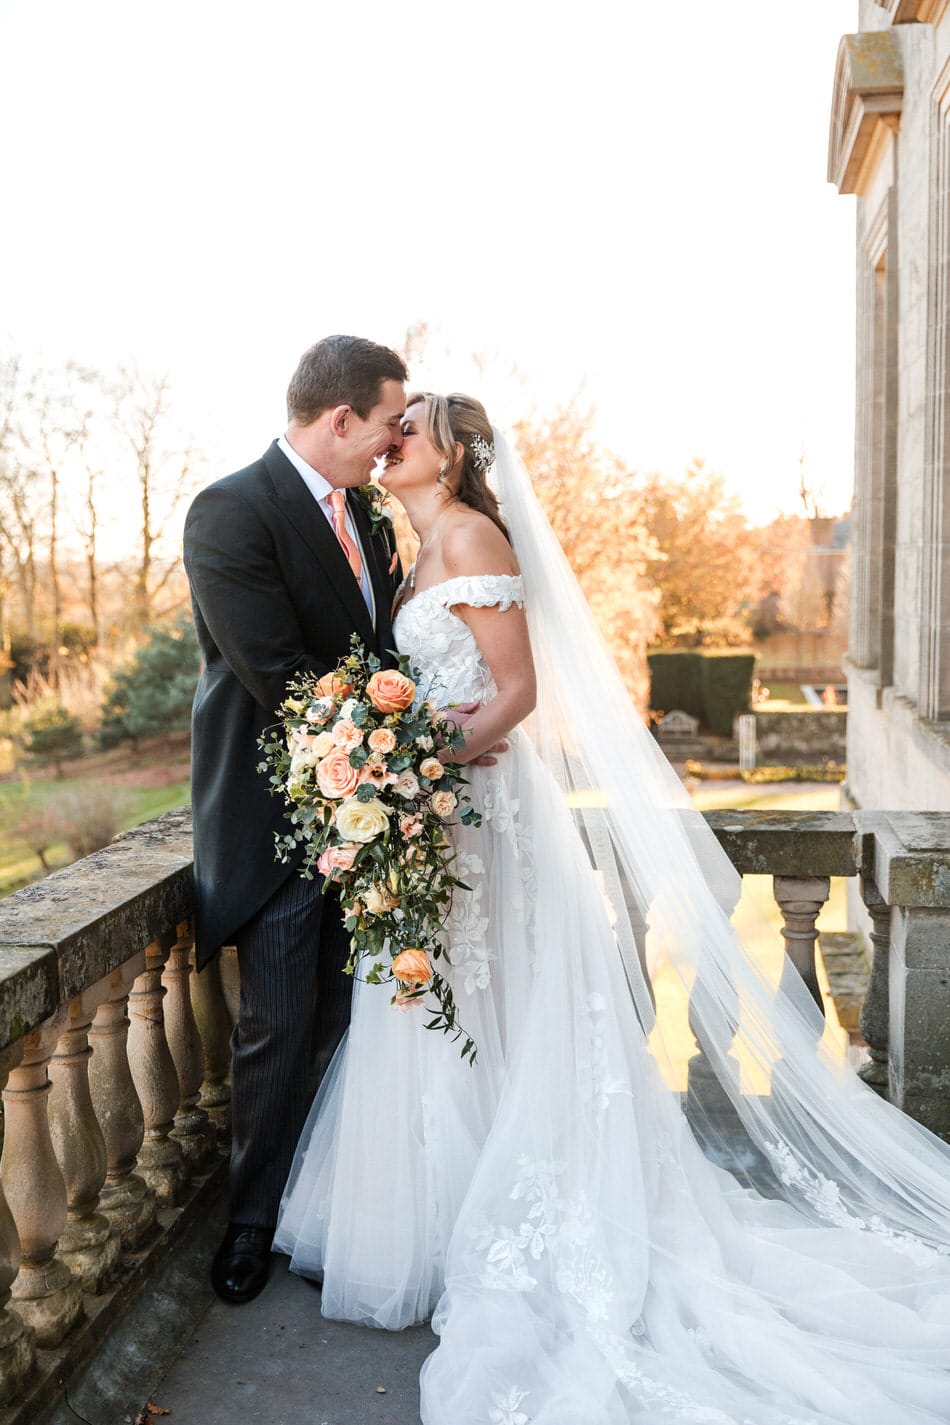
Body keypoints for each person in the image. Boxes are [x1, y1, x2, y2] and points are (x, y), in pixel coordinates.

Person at [275, 390, 950, 1424]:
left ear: (450, 454)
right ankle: (432, 1216)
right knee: (431, 1006)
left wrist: (415, 771)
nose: (387, 440)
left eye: (406, 429)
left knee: (484, 1002)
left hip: (483, 821)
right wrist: (388, 773)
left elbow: (515, 690)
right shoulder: (408, 545)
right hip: (433, 820)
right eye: (385, 426)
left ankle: (512, 1219)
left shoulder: (468, 535)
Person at [183, 335, 408, 1304]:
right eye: (387, 425)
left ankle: (342, 1206)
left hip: (379, 815)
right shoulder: (232, 510)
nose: (393, 445)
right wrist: (413, 746)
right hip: (276, 821)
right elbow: (273, 671)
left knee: (358, 1016)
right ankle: (250, 1222)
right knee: (277, 1026)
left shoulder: (371, 515)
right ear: (338, 419)